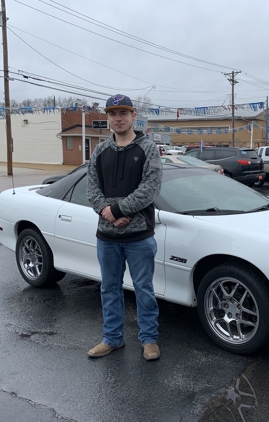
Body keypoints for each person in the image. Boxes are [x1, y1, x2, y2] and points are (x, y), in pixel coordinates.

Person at [86, 94, 163, 360]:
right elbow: (92, 188)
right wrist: (108, 214)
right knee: (109, 288)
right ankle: (112, 338)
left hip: (139, 236)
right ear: (108, 118)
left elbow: (150, 188)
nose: (117, 118)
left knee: (143, 289)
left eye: (123, 113)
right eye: (112, 114)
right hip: (107, 236)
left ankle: (149, 340)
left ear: (133, 116)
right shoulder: (99, 151)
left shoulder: (148, 148)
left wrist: (117, 209)